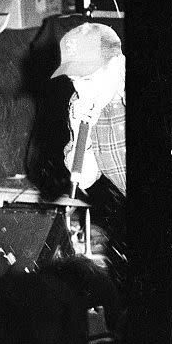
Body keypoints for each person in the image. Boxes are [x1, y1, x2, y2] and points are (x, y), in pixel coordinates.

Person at [50, 22, 125, 264]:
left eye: (89, 78)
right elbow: (83, 179)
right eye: (74, 79)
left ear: (116, 64)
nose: (81, 89)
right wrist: (80, 127)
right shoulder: (81, 103)